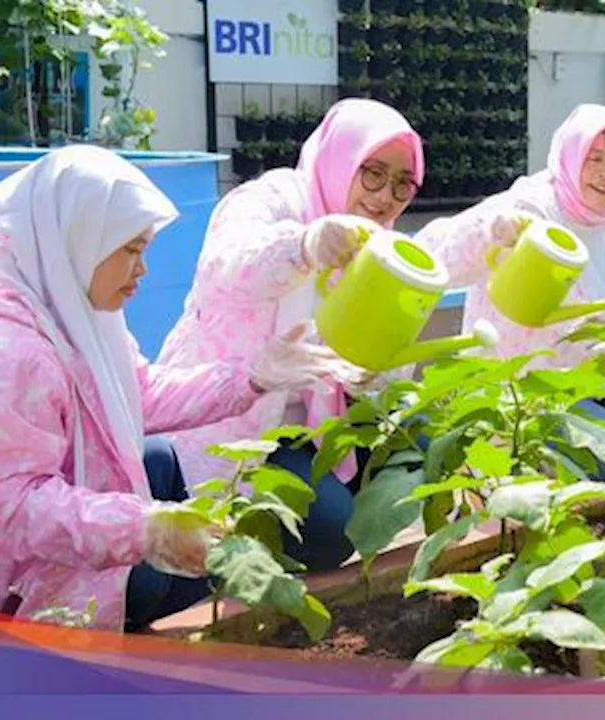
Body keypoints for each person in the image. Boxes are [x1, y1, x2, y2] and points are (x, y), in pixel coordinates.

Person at [0, 145, 349, 632]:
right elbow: (9, 506)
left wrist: (252, 377)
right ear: (79, 239)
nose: (144, 271)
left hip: (36, 572)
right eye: (132, 250)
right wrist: (141, 528)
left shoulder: (71, 304)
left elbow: (142, 393)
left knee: (153, 550)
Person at [157, 99, 426, 574]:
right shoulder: (274, 199)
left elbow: (390, 348)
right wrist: (303, 246)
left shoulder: (378, 247)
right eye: (373, 173)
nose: (385, 197)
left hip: (310, 429)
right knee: (309, 528)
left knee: (349, 510)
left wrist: (374, 375)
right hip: (232, 417)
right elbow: (228, 263)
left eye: (403, 184)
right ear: (341, 158)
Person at [414, 103, 605, 484]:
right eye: (594, 158)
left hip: (597, 381)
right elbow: (433, 256)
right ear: (570, 154)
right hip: (525, 392)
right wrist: (490, 232)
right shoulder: (529, 211)